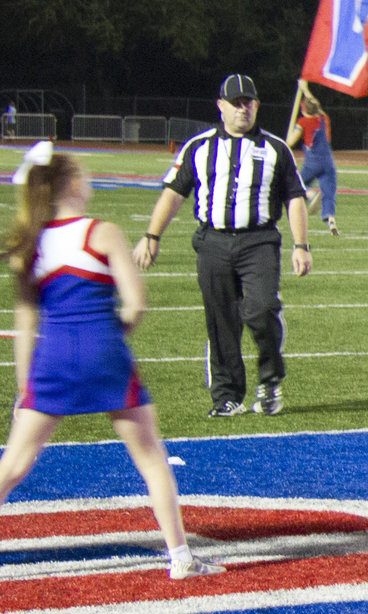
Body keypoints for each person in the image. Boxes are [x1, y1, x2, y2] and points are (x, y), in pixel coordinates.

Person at [3, 144, 212, 578]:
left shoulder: (28, 243)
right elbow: (135, 306)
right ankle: (180, 558)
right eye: (83, 172)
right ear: (72, 184)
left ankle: (182, 558)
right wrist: (109, 338)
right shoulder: (104, 232)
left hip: (53, 357)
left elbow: (25, 328)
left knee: (16, 464)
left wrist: (26, 390)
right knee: (150, 456)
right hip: (105, 351)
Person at [135, 74, 312, 417]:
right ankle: (226, 396)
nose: (243, 109)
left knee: (260, 309)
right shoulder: (199, 147)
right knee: (220, 320)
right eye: (236, 103)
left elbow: (295, 198)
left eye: (249, 102)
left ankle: (270, 378)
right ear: (221, 106)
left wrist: (301, 244)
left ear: (257, 106)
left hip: (259, 240)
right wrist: (152, 236)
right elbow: (173, 194)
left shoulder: (276, 148)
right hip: (212, 241)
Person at [286, 83, 341, 235]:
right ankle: (331, 221)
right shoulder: (324, 119)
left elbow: (290, 143)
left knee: (296, 183)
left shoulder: (303, 122)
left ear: (303, 110)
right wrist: (305, 88)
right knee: (329, 194)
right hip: (328, 163)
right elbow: (315, 105)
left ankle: (311, 194)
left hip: (313, 163)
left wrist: (290, 132)